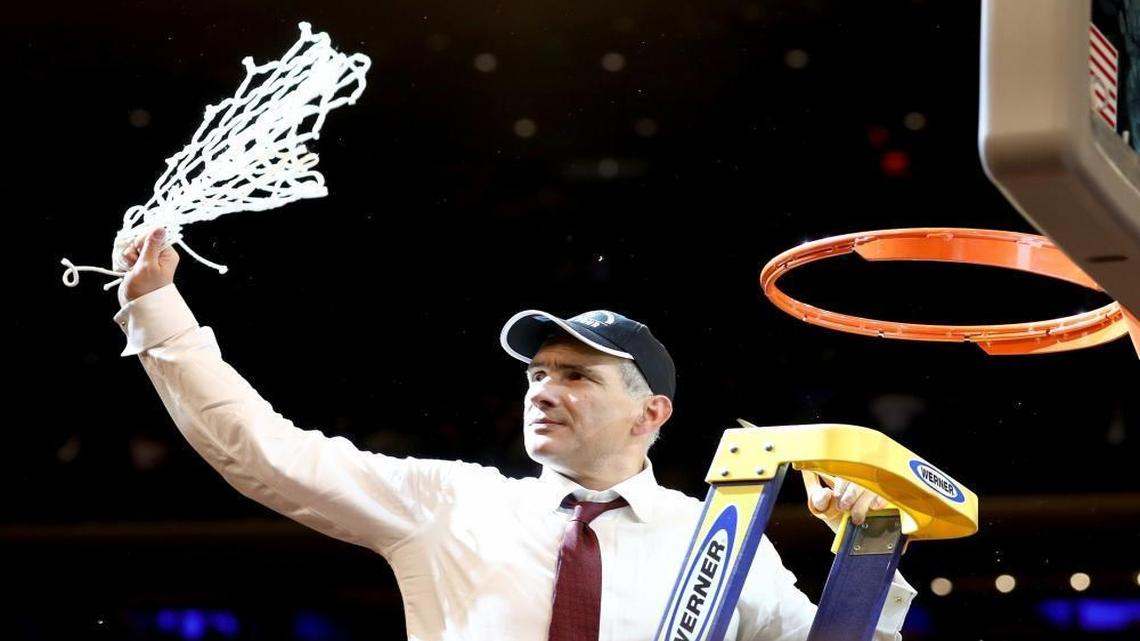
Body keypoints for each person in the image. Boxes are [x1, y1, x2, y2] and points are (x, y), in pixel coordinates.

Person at [112, 227, 915, 641]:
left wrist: (870, 546)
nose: (544, 390)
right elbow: (265, 453)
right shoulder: (452, 500)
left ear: (652, 412)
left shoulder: (721, 532)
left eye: (576, 375)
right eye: (537, 373)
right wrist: (158, 308)